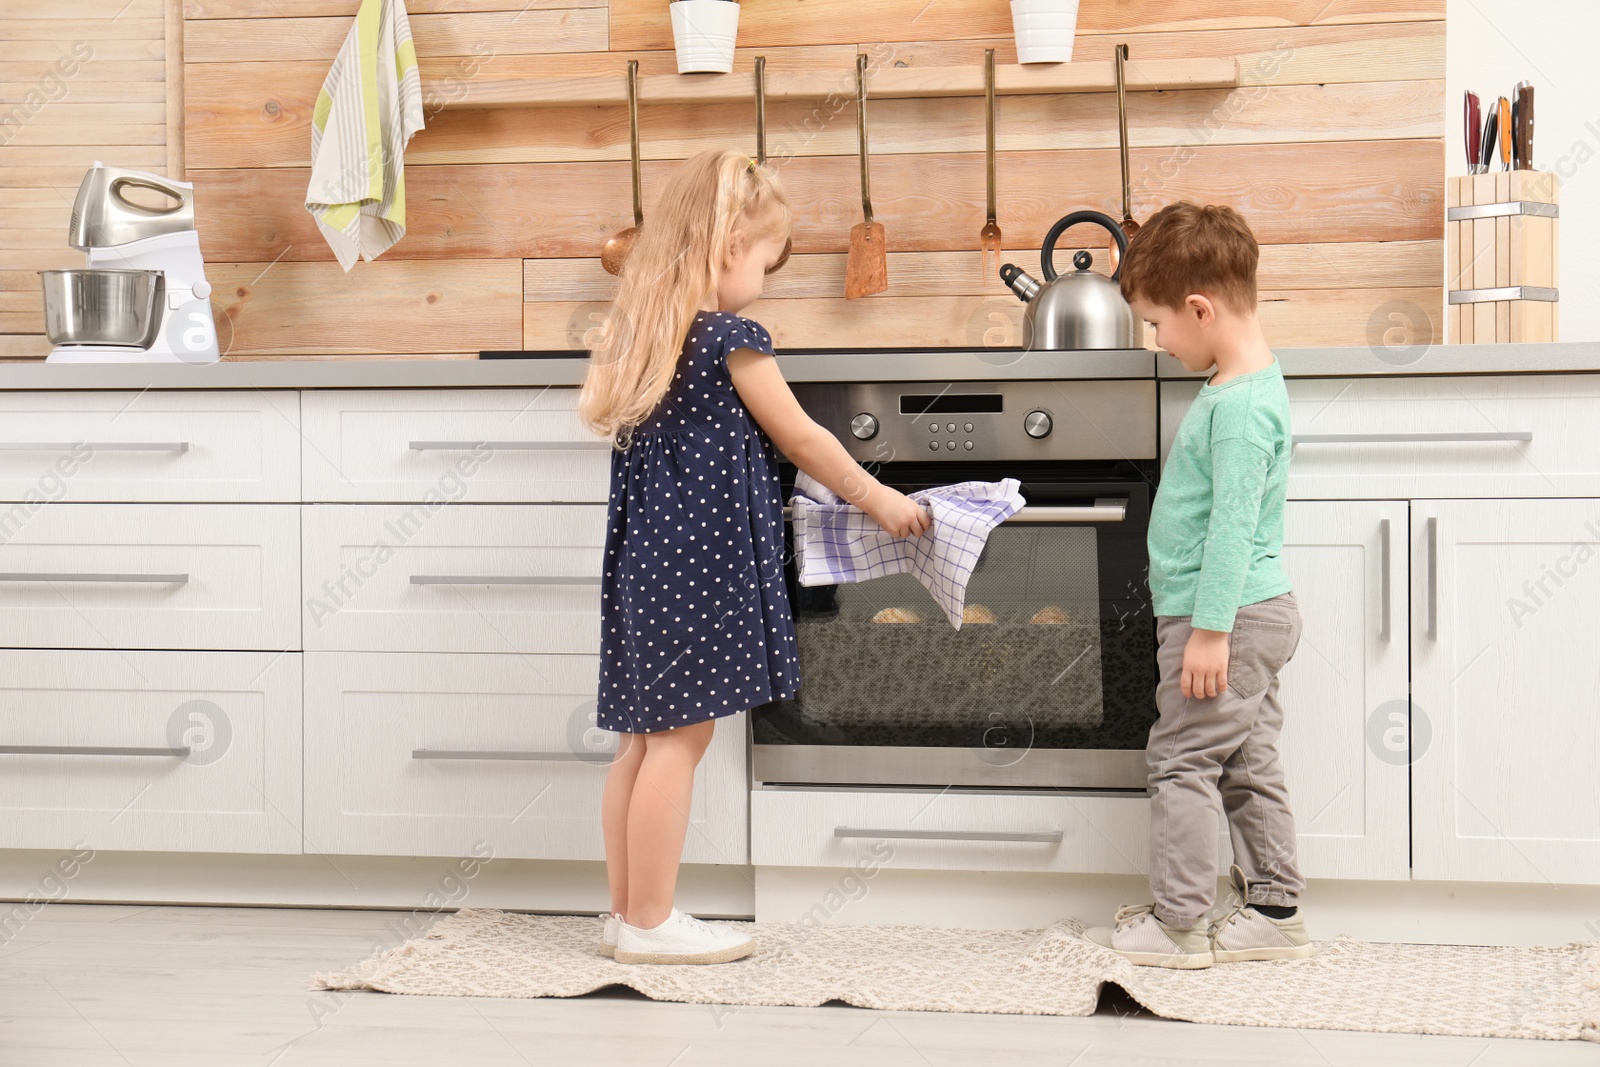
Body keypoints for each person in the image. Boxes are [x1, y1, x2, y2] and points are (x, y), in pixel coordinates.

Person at [576, 148, 930, 966]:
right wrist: (877, 498)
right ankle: (653, 922)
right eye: (766, 262)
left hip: (643, 567)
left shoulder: (644, 339)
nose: (765, 281)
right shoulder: (731, 339)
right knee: (680, 740)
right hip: (697, 566)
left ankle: (629, 912)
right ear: (726, 246)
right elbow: (802, 438)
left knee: (641, 740)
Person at [1086, 202, 1314, 969]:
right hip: (1249, 612)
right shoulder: (1243, 385)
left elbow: (1231, 532)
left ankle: (1179, 924)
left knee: (1181, 759)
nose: (1156, 339)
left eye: (1155, 324)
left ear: (1199, 309)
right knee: (1246, 762)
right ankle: (1275, 911)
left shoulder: (1240, 409)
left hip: (1226, 618)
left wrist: (1210, 630)